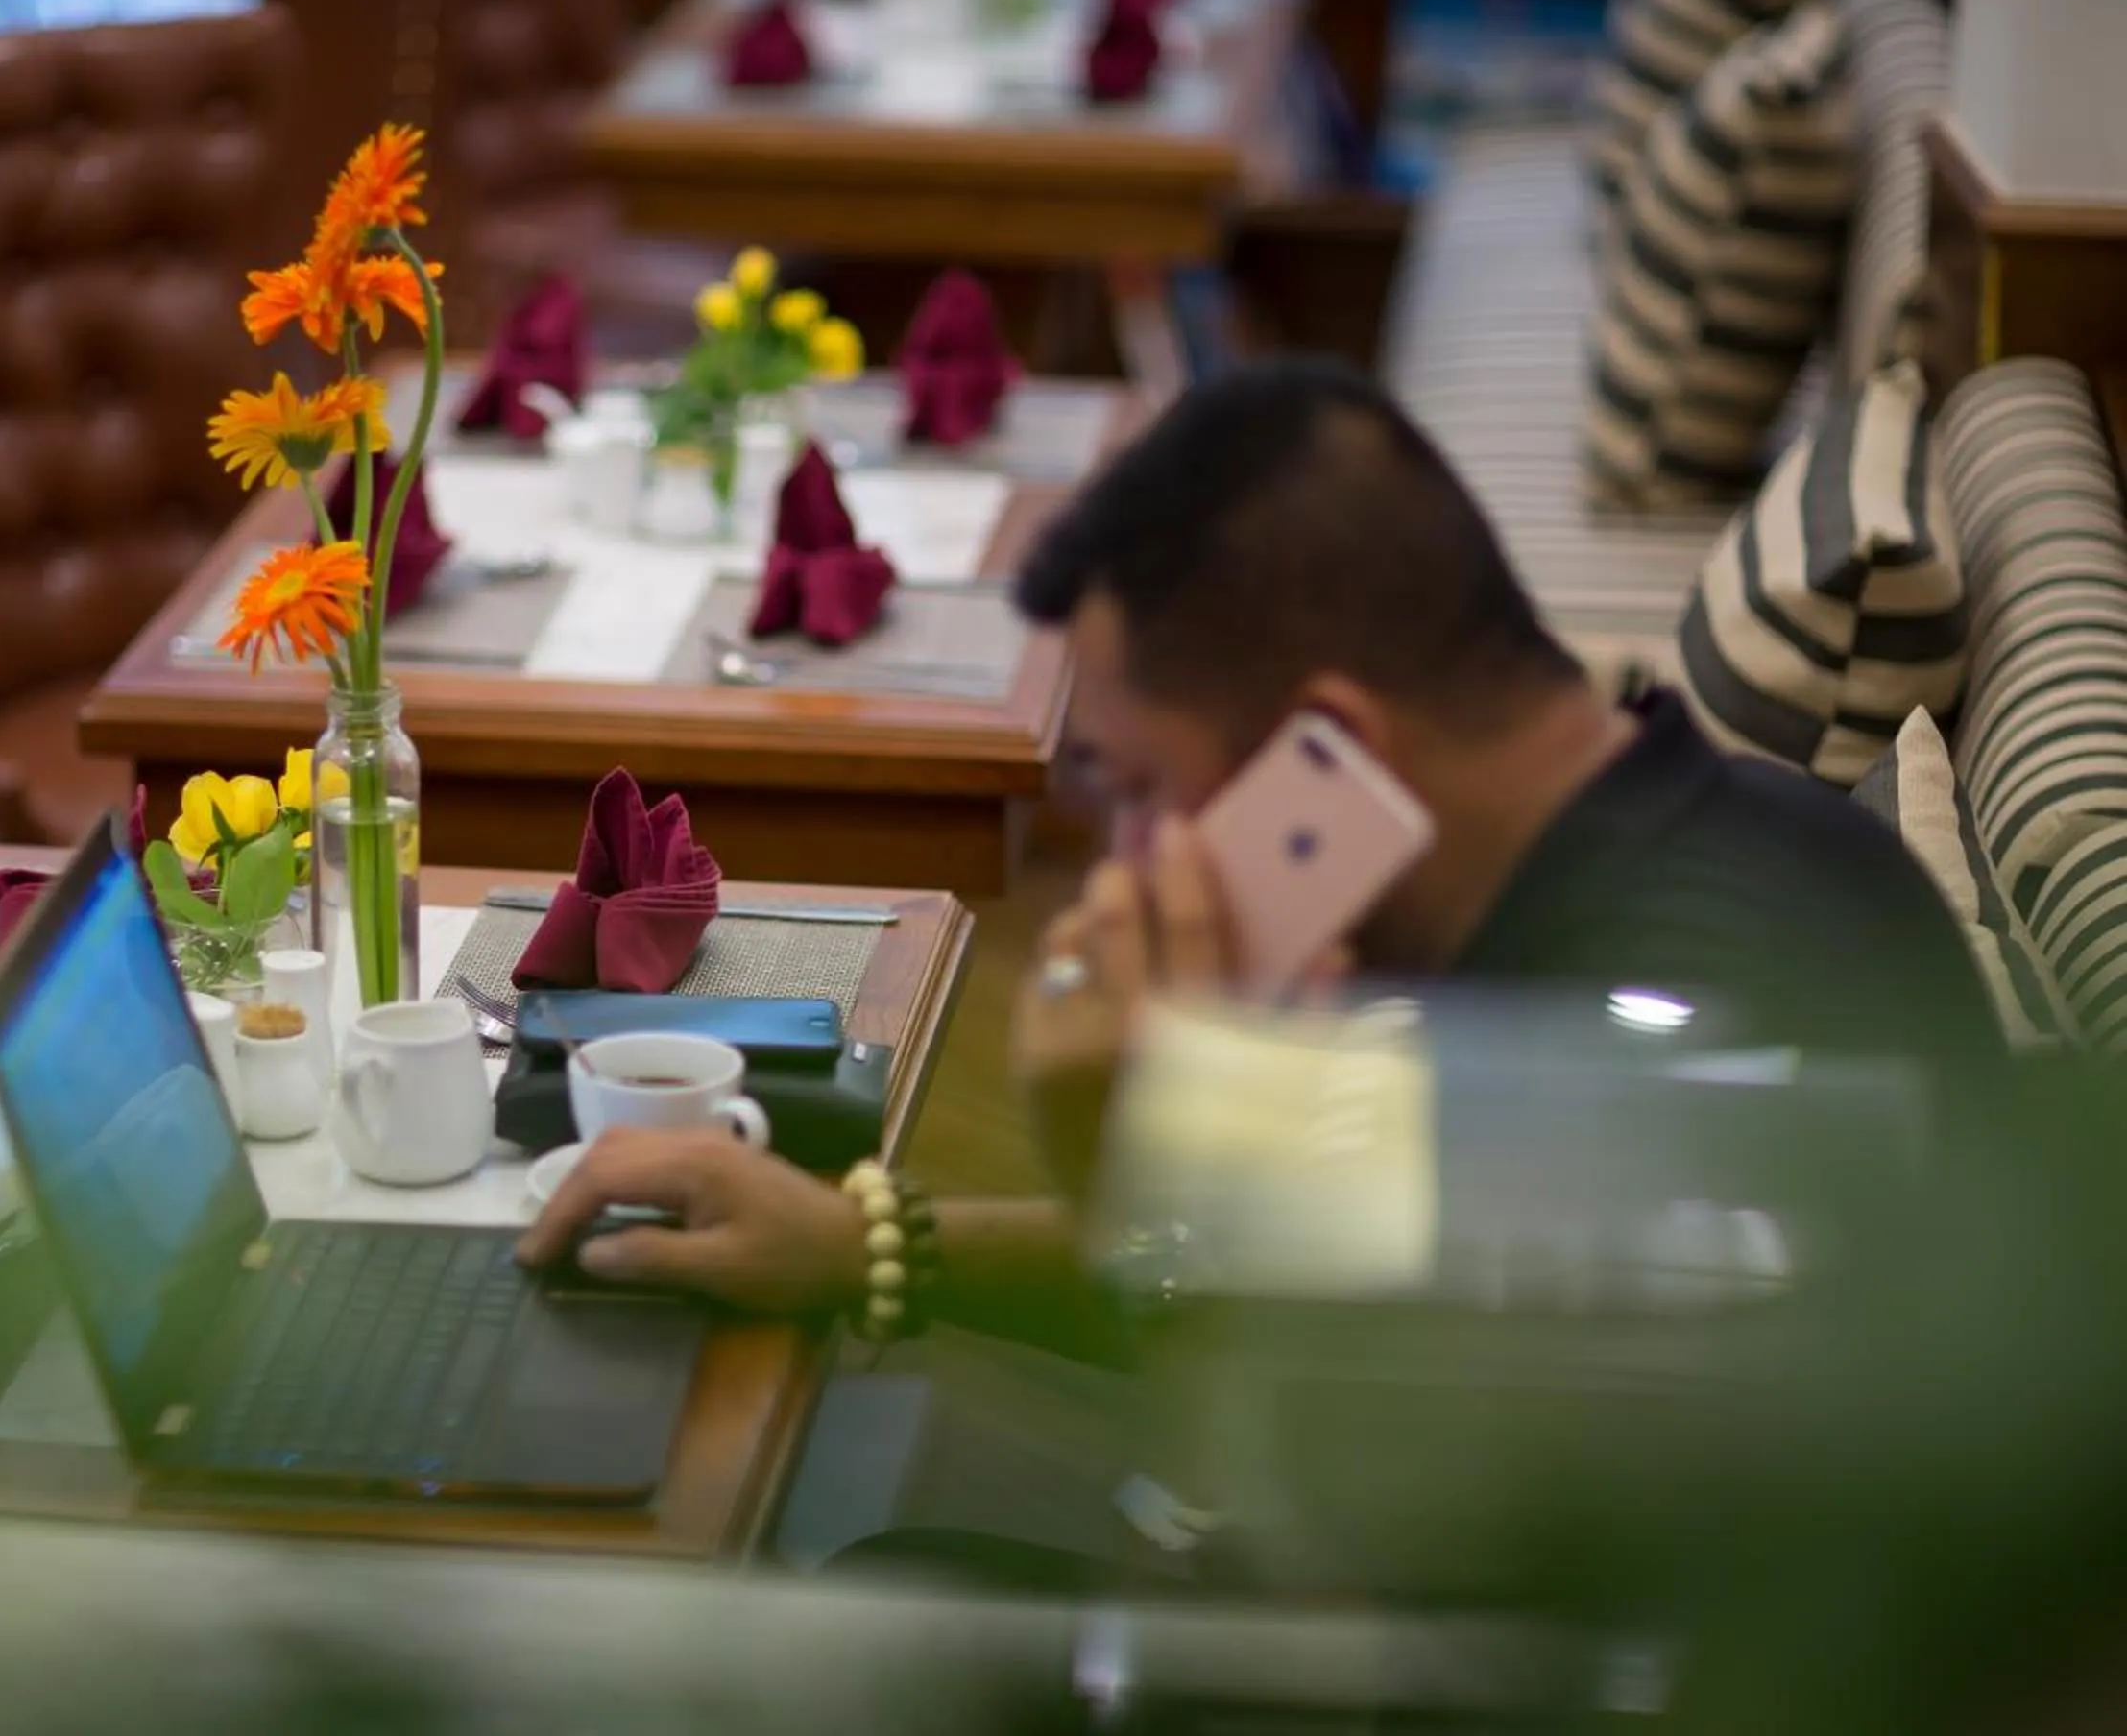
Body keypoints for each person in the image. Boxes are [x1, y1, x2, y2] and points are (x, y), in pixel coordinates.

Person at [518, 358, 1997, 1358]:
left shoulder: (1663, 1028)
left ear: (1326, 754)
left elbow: (1339, 1559)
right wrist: (864, 1247)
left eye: (1144, 788)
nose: (1125, 866)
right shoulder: (1647, 836)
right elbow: (1354, 1246)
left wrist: (1133, 1142)